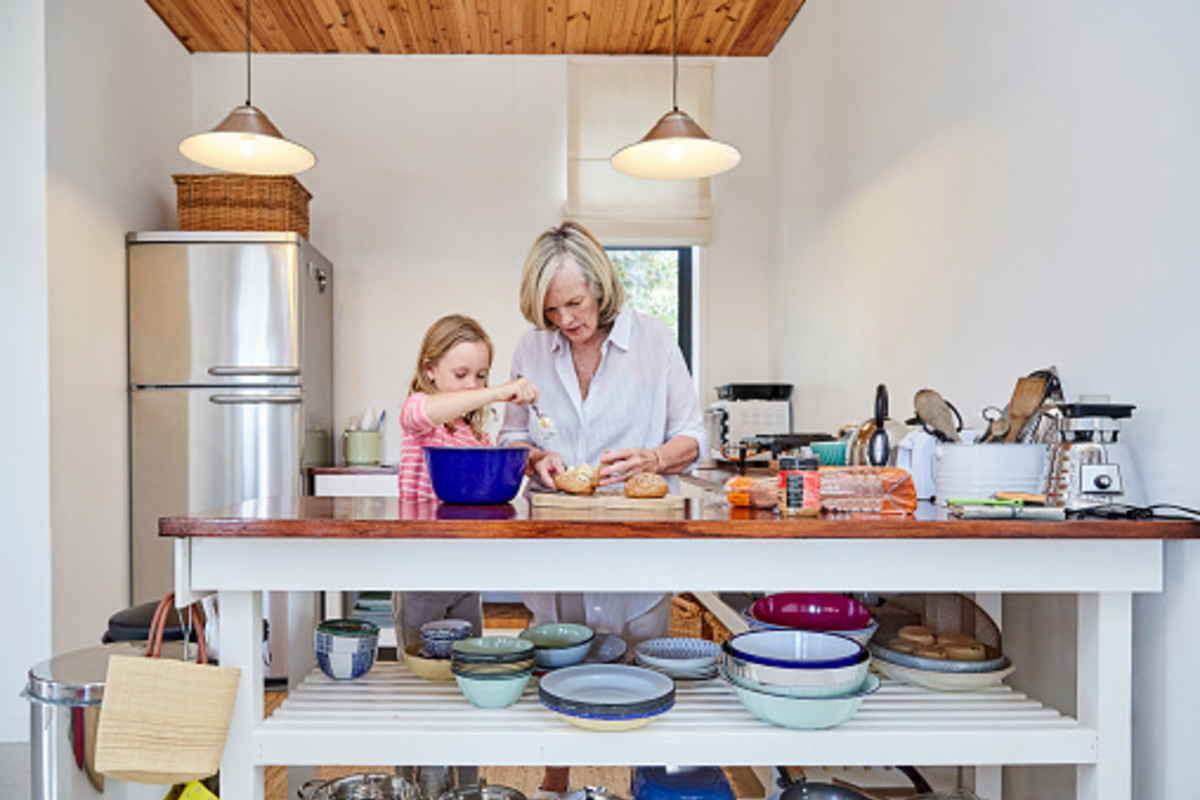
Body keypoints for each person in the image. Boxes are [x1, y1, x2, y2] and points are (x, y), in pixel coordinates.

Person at [499, 221, 708, 799]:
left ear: (601, 286)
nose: (566, 320)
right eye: (552, 310)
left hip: (634, 547)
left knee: (645, 684)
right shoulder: (529, 350)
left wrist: (656, 457)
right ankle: (553, 784)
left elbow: (693, 434)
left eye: (575, 302)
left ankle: (649, 786)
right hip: (556, 546)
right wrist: (535, 457)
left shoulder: (654, 340)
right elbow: (510, 440)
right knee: (556, 677)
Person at [391, 314, 538, 649]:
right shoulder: (419, 413)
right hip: (421, 566)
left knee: (467, 657)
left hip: (465, 566)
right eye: (461, 374)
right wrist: (497, 391)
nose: (474, 384)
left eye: (482, 375)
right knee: (423, 661)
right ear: (429, 369)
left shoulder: (476, 435)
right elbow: (426, 411)